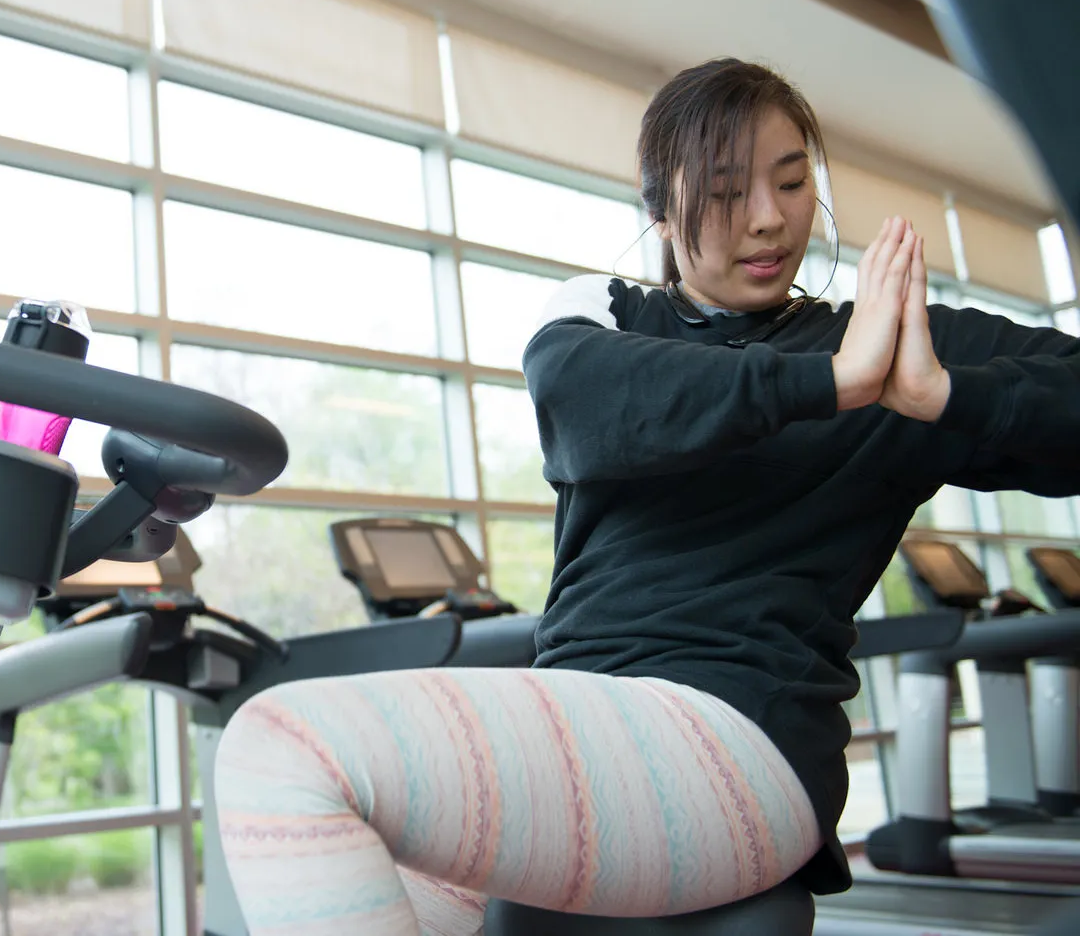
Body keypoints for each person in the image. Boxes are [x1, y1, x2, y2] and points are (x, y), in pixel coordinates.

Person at [212, 58, 1080, 936]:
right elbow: (586, 401)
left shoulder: (890, 345)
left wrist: (943, 398)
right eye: (726, 190)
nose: (770, 217)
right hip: (586, 725)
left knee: (282, 748)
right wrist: (828, 382)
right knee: (344, 848)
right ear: (660, 210)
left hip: (742, 740)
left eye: (790, 182)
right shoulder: (613, 312)